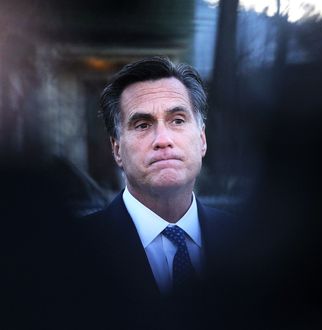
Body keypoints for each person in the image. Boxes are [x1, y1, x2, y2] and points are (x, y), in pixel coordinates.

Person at [72, 56, 236, 329]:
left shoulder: (245, 242)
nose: (163, 140)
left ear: (202, 140)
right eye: (142, 125)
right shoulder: (69, 253)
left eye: (178, 120)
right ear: (117, 150)